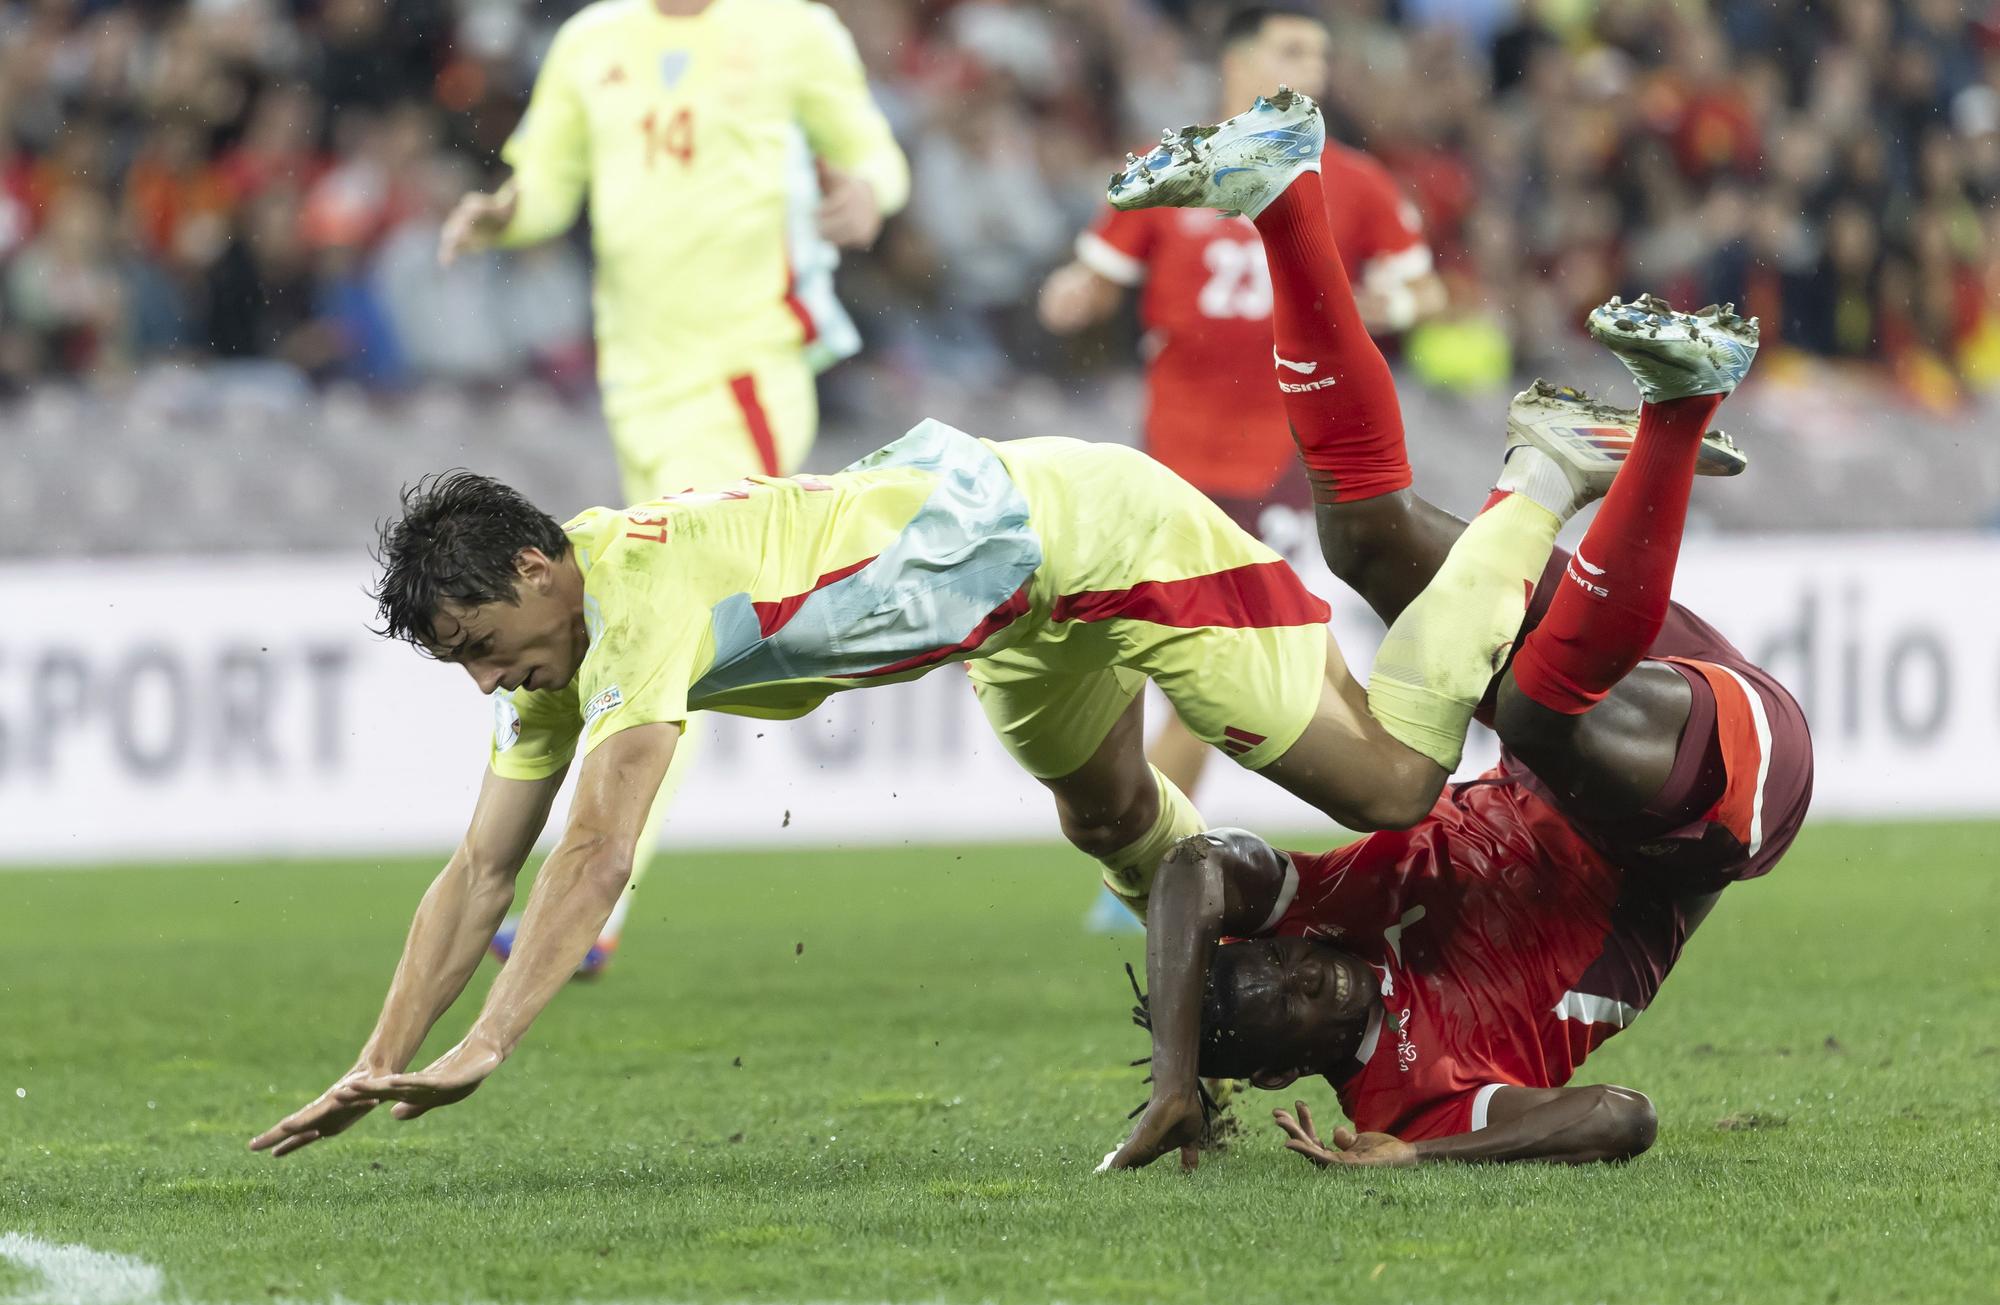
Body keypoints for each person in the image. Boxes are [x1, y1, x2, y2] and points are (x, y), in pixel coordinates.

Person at [245, 90, 1621, 1160]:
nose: (492, 679)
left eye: (486, 644)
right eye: (470, 664)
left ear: (542, 565)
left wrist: (491, 1037)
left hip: (1095, 532)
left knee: (1389, 779)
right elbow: (479, 870)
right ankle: (1223, 1041)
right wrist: (374, 1061)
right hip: (1011, 617)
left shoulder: (641, 594)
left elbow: (598, 847)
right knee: (1108, 819)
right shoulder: (551, 647)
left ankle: (1540, 475)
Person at [1098, 120, 1807, 1170]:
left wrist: (1173, 1080)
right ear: (1286, 1071)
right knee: (1529, 709)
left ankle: (1280, 198)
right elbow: (1620, 1116)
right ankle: (1668, 410)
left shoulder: (1336, 909)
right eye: (1293, 1006)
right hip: (1706, 808)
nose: (1315, 978)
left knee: (1363, 539)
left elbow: (1197, 869)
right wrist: (1417, 1160)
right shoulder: (1410, 1102)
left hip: (1608, 682)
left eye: (1286, 965)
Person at [438, 0, 910, 973]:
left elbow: (873, 151)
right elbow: (550, 187)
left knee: (663, 632)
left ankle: (591, 900)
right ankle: (589, 887)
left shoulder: (790, 29)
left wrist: (867, 193)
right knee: (661, 632)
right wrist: (502, 213)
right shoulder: (590, 41)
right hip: (635, 382)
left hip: (743, 369)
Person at [1039, 4, 1444, 868]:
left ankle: (1144, 851)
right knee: (1133, 649)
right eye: (1293, 50)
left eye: (1322, 54)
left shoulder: (1357, 180)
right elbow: (1098, 269)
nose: (1316, 69)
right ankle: (1135, 832)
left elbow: (1424, 292)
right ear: (1235, 65)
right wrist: (1073, 292)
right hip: (1168, 462)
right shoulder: (1174, 168)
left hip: (1276, 464)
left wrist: (1386, 306)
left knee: (1208, 663)